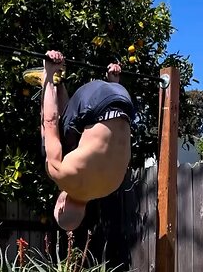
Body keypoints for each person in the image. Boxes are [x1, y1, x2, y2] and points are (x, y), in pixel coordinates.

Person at [38, 50, 134, 231]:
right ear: (61, 205)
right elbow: (50, 122)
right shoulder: (62, 176)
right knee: (50, 146)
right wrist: (48, 72)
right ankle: (52, 79)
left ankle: (110, 80)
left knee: (73, 147)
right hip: (95, 99)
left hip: (123, 100)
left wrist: (113, 83)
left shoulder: (111, 187)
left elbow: (114, 142)